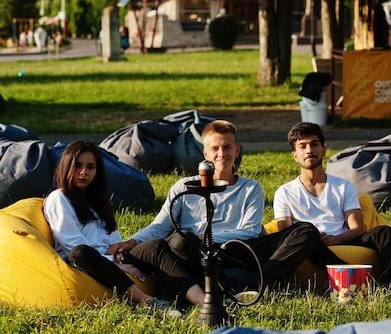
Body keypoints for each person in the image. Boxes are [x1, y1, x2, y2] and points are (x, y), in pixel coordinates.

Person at [119, 120, 339, 294]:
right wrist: (133, 241)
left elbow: (251, 230)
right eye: (214, 149)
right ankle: (234, 285)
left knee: (306, 230)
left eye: (227, 147)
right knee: (180, 239)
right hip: (196, 251)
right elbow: (159, 227)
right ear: (205, 154)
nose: (221, 153)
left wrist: (206, 236)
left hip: (240, 249)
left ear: (236, 151)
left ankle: (256, 285)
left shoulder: (251, 188)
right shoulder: (184, 186)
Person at [44, 140, 206, 316]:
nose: (84, 172)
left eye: (90, 167)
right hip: (87, 261)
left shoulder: (95, 200)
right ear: (66, 166)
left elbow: (112, 237)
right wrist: (112, 264)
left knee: (156, 246)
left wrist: (119, 253)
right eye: (78, 166)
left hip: (111, 258)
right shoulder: (59, 198)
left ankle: (204, 300)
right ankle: (151, 303)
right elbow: (71, 244)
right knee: (80, 252)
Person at [273, 122, 391, 289]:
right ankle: (352, 280)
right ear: (295, 155)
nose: (309, 150)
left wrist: (335, 240)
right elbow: (285, 236)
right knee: (307, 239)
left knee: (383, 232)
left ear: (324, 150)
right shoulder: (284, 192)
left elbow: (357, 228)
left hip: (342, 239)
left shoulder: (342, 186)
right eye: (302, 146)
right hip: (308, 243)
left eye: (314, 144)